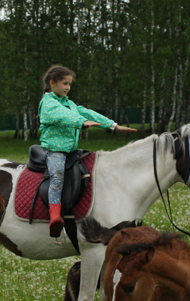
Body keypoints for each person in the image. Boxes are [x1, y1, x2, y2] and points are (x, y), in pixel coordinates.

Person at [38, 65, 137, 237]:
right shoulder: (48, 104)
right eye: (64, 83)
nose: (68, 87)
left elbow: (88, 113)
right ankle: (54, 215)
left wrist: (113, 126)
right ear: (52, 83)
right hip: (54, 151)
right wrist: (81, 122)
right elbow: (62, 115)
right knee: (58, 175)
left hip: (71, 150)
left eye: (69, 84)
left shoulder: (69, 103)